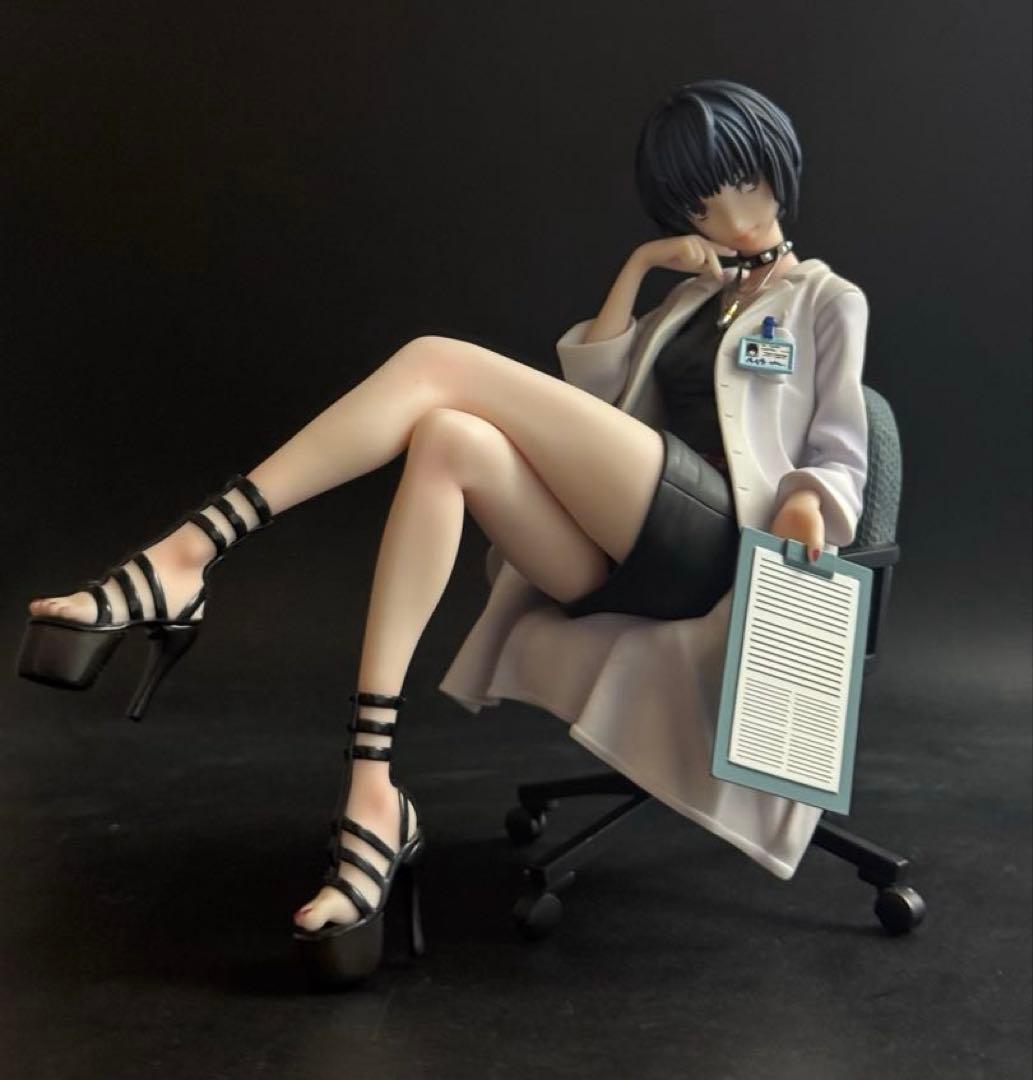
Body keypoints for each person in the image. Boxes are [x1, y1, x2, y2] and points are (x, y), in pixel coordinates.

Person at [18, 79, 868, 986]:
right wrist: (641, 267)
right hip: (626, 549)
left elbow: (841, 446)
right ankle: (373, 793)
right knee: (446, 439)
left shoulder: (825, 299)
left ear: (778, 168)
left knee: (434, 361)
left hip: (718, 548)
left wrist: (808, 501)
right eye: (700, 203)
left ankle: (184, 556)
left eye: (743, 184)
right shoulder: (691, 302)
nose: (727, 215)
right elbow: (591, 403)